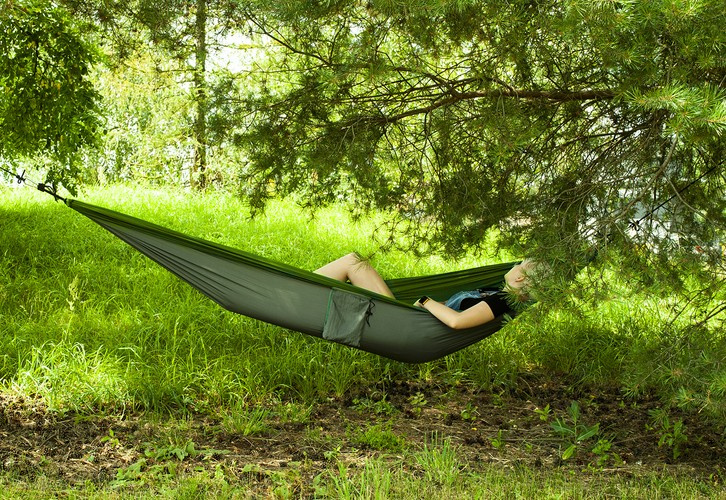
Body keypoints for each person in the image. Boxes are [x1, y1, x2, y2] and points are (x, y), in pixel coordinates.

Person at [314, 253, 538, 330]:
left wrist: (424, 300)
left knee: (354, 262)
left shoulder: (501, 301)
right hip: (408, 317)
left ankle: (298, 287)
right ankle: (299, 285)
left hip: (405, 325)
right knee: (354, 262)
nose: (514, 265)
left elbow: (457, 321)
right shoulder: (493, 293)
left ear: (520, 278)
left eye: (518, 264)